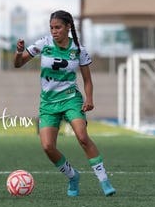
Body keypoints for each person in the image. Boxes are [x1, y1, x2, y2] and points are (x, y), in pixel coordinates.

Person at [13, 10, 116, 197]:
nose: (54, 31)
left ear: (68, 27)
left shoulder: (79, 50)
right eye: (52, 27)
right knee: (47, 147)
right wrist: (19, 52)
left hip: (71, 99)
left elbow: (87, 80)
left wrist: (90, 99)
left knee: (82, 137)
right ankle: (72, 176)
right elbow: (17, 64)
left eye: (58, 27)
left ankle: (104, 181)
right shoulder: (44, 44)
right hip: (48, 103)